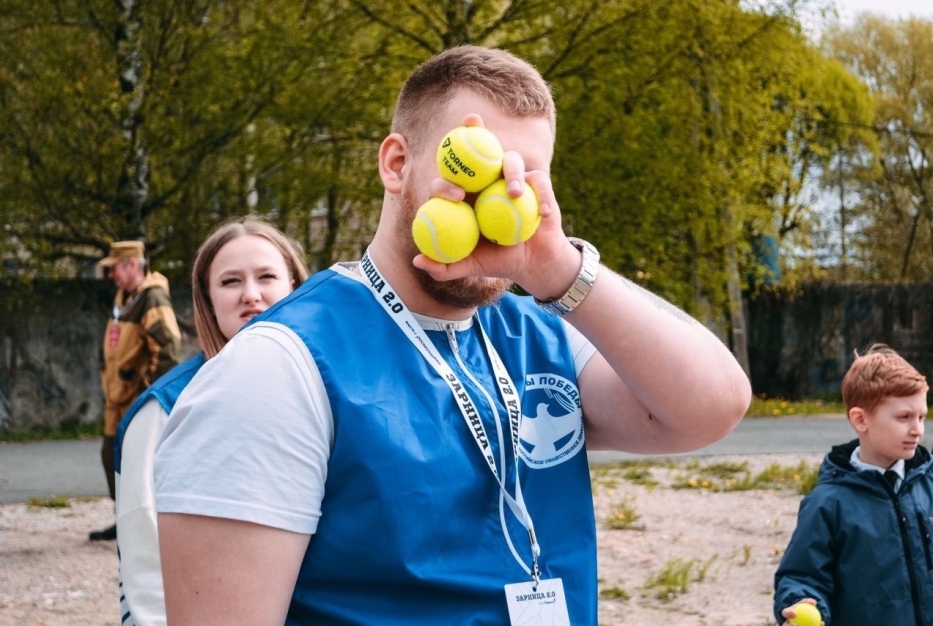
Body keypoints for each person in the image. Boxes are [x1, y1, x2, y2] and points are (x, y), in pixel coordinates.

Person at [154, 45, 752, 625]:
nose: (501, 197)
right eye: (476, 170)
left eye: (524, 179)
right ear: (397, 164)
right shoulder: (275, 368)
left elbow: (713, 407)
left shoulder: (539, 333)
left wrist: (559, 270)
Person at [113, 217, 309, 626]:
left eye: (267, 276)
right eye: (230, 281)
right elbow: (147, 578)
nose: (251, 295)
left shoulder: (330, 394)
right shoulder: (162, 410)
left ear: (295, 285)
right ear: (207, 298)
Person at [774, 344, 933, 626]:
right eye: (904, 417)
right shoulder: (828, 503)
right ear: (861, 419)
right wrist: (800, 601)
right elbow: (802, 575)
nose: (918, 430)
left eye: (922, 417)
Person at [91, 240, 181, 542]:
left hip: (135, 397)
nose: (111, 275)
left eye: (114, 268)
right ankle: (124, 518)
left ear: (131, 264)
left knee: (138, 462)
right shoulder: (125, 298)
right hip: (116, 395)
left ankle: (145, 525)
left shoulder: (152, 297)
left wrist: (150, 394)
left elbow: (167, 349)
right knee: (111, 456)